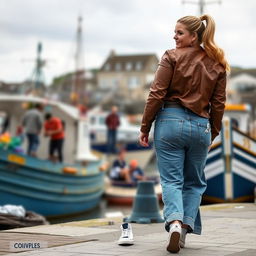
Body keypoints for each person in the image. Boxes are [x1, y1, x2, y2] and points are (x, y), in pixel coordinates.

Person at [139, 15, 229, 253]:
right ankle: (185, 228)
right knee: (195, 183)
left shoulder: (171, 56)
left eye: (179, 33)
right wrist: (213, 133)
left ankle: (175, 223)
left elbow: (156, 94)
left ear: (193, 36)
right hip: (201, 126)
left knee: (171, 180)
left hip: (169, 122)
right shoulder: (217, 63)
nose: (174, 36)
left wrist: (145, 126)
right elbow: (219, 105)